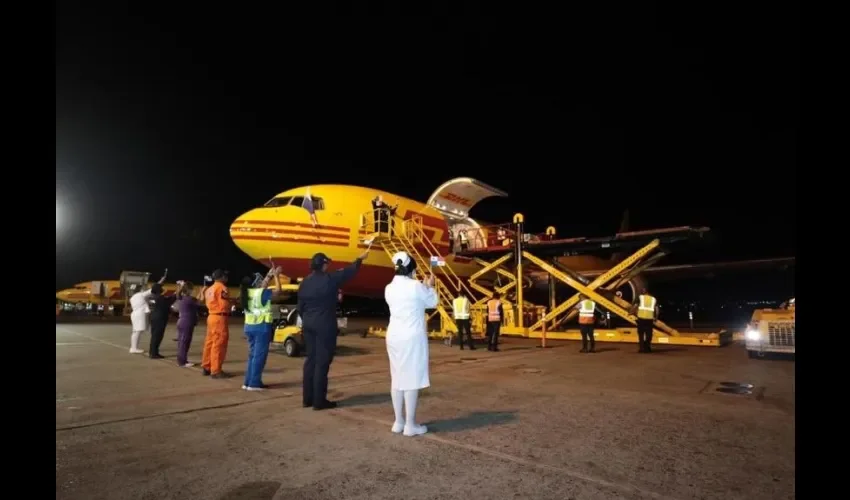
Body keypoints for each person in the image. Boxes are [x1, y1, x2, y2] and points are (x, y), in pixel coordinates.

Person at [298, 248, 369, 410]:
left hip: (308, 324)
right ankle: (319, 401)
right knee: (322, 363)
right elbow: (349, 272)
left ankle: (307, 399)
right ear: (323, 265)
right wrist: (360, 259)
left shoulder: (305, 282)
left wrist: (309, 318)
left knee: (310, 361)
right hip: (324, 325)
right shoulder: (329, 279)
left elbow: (300, 307)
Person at [384, 251, 438, 436]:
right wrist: (430, 286)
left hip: (394, 336)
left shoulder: (389, 288)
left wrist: (421, 287)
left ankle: (398, 422)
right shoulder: (416, 286)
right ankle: (410, 425)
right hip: (411, 337)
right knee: (411, 379)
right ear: (411, 270)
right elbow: (433, 302)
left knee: (397, 378)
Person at [242, 267, 284, 391]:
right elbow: (278, 291)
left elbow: (262, 286)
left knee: (252, 356)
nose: (262, 281)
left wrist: (269, 275)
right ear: (256, 283)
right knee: (259, 357)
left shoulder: (247, 293)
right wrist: (276, 276)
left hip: (249, 327)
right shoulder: (262, 293)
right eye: (259, 280)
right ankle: (254, 383)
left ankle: (248, 381)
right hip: (261, 327)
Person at [202, 269, 231, 378]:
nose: (226, 278)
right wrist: (231, 303)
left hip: (211, 316)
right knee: (219, 343)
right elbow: (224, 304)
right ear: (221, 277)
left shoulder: (209, 289)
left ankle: (206, 366)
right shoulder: (222, 288)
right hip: (220, 317)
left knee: (209, 342)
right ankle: (216, 370)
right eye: (225, 276)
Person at [128, 272, 166, 354]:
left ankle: (133, 347)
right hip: (139, 315)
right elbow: (154, 288)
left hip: (135, 314)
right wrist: (162, 280)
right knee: (137, 331)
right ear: (139, 290)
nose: (143, 289)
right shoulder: (141, 295)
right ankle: (133, 348)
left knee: (135, 331)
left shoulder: (133, 298)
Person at [174, 281, 200, 367]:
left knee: (181, 342)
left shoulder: (181, 298)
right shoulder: (189, 299)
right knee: (185, 342)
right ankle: (182, 362)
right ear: (189, 290)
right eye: (193, 289)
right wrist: (202, 292)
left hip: (181, 321)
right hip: (187, 322)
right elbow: (200, 302)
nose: (194, 291)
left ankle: (181, 359)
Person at [149, 283, 178, 359]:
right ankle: (154, 353)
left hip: (154, 317)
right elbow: (169, 301)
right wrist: (176, 293)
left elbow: (168, 299)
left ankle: (152, 352)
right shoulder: (160, 298)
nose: (163, 288)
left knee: (154, 335)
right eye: (162, 287)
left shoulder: (154, 297)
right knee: (157, 336)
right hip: (159, 318)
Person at [634, 288, 658, 353]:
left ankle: (641, 348)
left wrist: (631, 312)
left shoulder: (640, 297)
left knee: (641, 334)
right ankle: (647, 347)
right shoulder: (653, 299)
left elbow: (635, 306)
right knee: (649, 334)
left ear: (644, 291)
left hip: (641, 318)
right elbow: (656, 309)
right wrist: (656, 317)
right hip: (649, 319)